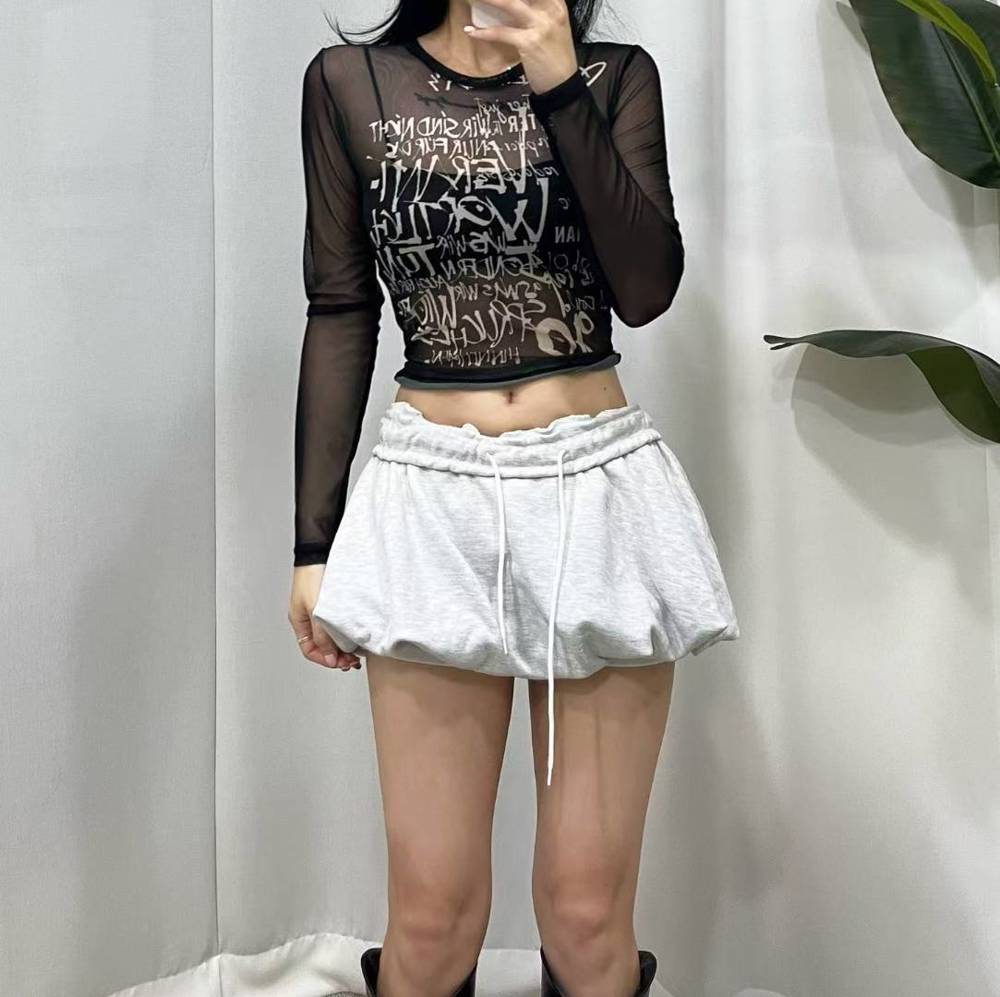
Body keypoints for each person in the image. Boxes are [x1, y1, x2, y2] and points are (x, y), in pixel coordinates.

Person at [287, 1, 740, 994]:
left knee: (585, 916)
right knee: (432, 919)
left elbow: (645, 289)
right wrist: (314, 545)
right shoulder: (351, 83)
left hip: (596, 491)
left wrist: (557, 80)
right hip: (431, 498)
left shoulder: (614, 77)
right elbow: (340, 306)